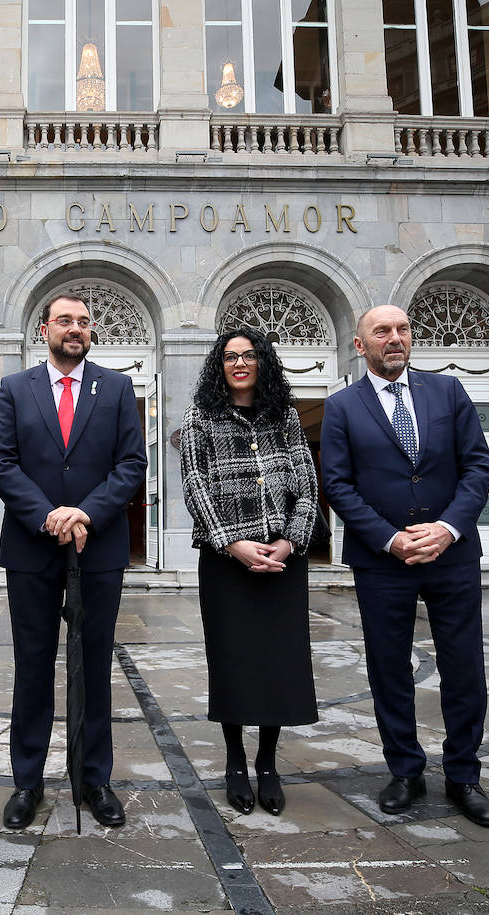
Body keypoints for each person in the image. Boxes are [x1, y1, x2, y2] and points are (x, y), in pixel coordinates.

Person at [320, 304, 489, 828]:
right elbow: (338, 485)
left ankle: (464, 775)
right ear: (360, 346)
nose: (394, 339)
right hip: (383, 561)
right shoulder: (342, 407)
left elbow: (478, 466)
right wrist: (390, 539)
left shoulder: (449, 393)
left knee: (464, 668)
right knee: (388, 669)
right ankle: (405, 771)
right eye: (382, 332)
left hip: (453, 554)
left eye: (402, 330)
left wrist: (447, 529)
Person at [0, 291, 147, 830]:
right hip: (32, 548)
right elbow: (0, 462)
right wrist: (50, 515)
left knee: (95, 664)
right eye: (63, 321)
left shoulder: (119, 388)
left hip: (98, 548)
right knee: (33, 665)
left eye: (82, 321)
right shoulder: (15, 388)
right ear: (44, 330)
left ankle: (94, 779)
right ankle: (27, 782)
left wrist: (85, 513)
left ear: (92, 332)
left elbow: (131, 464)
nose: (73, 329)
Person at [179, 328, 321, 816]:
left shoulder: (284, 416)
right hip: (227, 565)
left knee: (277, 663)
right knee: (235, 662)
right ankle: (236, 759)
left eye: (249, 355)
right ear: (219, 366)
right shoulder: (201, 417)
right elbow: (196, 486)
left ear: (263, 361)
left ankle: (267, 762)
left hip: (283, 562)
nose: (239, 363)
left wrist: (289, 541)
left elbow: (307, 484)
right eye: (230, 357)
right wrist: (233, 543)